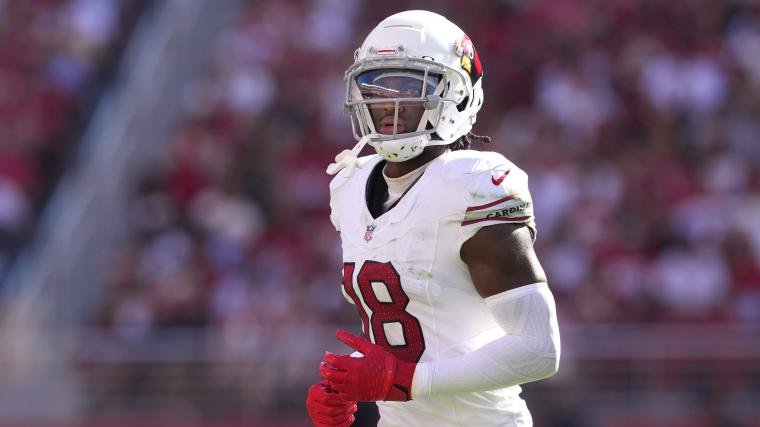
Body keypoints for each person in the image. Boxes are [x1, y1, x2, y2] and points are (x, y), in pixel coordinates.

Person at [306, 10, 561, 427]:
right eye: (375, 85)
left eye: (409, 86)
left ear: (458, 94)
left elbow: (538, 349)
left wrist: (403, 381)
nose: (388, 102)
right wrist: (345, 379)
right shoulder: (350, 185)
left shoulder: (473, 185)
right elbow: (414, 330)